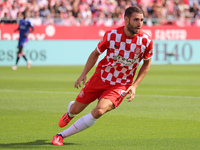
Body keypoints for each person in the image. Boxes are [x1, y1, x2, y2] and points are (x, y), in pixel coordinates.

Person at [52, 5, 153, 146]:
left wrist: (134, 85)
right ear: (126, 20)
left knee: (100, 110)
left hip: (121, 84)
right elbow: (95, 54)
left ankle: (60, 136)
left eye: (142, 20)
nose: (139, 23)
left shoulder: (146, 41)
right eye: (136, 20)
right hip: (101, 77)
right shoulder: (112, 35)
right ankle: (70, 112)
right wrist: (83, 74)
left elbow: (146, 64)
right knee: (76, 109)